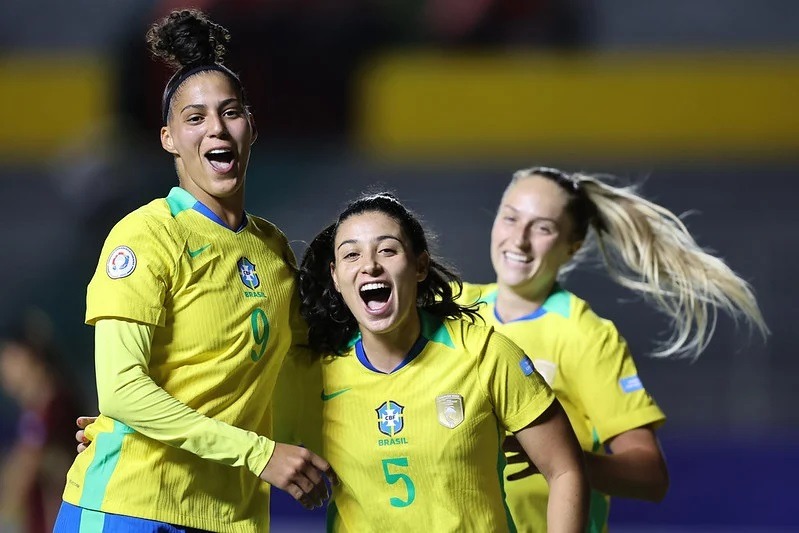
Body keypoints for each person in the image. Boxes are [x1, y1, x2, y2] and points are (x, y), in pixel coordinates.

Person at [54, 9, 334, 532]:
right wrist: (259, 453)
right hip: (130, 508)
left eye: (230, 112)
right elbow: (121, 391)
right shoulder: (147, 234)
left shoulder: (273, 249)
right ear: (169, 138)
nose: (216, 128)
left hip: (232, 517)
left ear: (251, 127)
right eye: (195, 118)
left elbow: (308, 369)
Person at [457, 166, 770, 532]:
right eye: (510, 218)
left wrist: (557, 457)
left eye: (543, 228)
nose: (519, 239)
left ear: (572, 247)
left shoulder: (586, 335)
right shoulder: (453, 309)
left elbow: (650, 475)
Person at [275, 191, 589, 532]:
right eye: (352, 254)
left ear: (420, 266)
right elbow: (242, 432)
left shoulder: (485, 354)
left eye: (387, 250)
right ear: (336, 277)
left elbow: (565, 470)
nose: (370, 265)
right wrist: (265, 456)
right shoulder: (313, 375)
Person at [0, 310, 81, 533]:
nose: (4, 369)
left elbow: (23, 475)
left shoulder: (54, 407)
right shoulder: (36, 412)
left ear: (32, 356)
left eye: (10, 358)